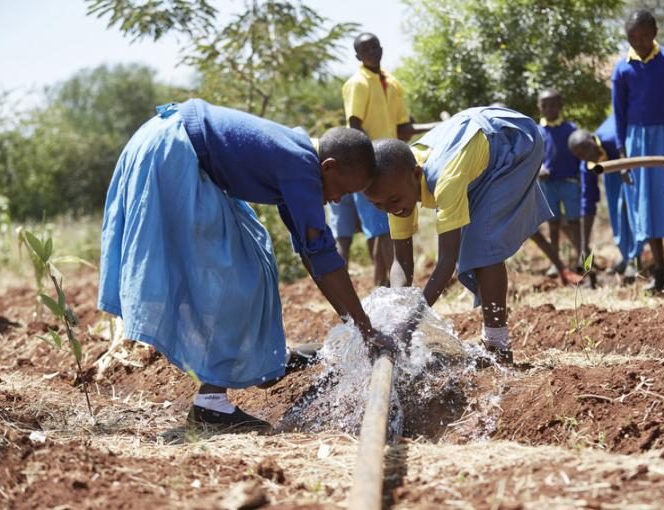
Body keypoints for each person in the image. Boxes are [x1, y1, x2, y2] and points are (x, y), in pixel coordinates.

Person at [98, 99, 392, 431]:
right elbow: (323, 258)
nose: (337, 200)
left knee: (255, 259)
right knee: (238, 276)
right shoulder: (302, 168)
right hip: (174, 151)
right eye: (342, 190)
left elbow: (313, 254)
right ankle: (211, 407)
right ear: (329, 167)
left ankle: (266, 363)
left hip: (168, 144)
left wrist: (355, 324)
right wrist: (366, 329)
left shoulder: (300, 160)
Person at [364, 106, 554, 364]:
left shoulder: (444, 179)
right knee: (476, 245)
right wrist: (397, 312)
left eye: (393, 201)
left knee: (481, 248)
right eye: (379, 205)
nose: (390, 209)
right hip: (476, 150)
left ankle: (498, 346)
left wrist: (409, 325)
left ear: (416, 175)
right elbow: (401, 263)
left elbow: (446, 263)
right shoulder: (393, 189)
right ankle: (494, 342)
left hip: (512, 140)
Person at [332, 32, 431, 286]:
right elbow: (355, 126)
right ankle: (390, 288)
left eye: (375, 47)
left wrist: (441, 124)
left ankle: (384, 286)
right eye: (366, 50)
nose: (373, 53)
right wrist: (370, 166)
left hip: (394, 165)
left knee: (388, 229)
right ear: (358, 56)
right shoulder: (357, 83)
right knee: (381, 229)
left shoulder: (392, 83)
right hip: (371, 168)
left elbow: (403, 128)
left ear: (381, 48)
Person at [611, 9, 664, 291]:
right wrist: (622, 152)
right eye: (633, 37)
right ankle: (659, 271)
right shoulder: (622, 69)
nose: (639, 42)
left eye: (644, 35)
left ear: (655, 33)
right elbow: (619, 113)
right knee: (646, 206)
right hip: (636, 142)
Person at [568, 115, 638, 280]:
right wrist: (584, 247)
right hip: (609, 172)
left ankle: (635, 259)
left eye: (586, 148)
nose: (585, 155)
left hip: (627, 160)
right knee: (616, 210)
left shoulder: (613, 140)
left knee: (632, 208)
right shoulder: (587, 164)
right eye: (579, 155)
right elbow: (588, 201)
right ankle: (626, 255)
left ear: (592, 139)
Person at [536, 89, 583, 276]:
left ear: (560, 106)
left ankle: (582, 260)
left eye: (553, 104)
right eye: (544, 105)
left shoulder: (571, 130)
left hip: (569, 183)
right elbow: (532, 157)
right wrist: (539, 169)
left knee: (574, 222)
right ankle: (556, 263)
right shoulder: (536, 131)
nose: (548, 108)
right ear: (538, 106)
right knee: (553, 224)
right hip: (548, 185)